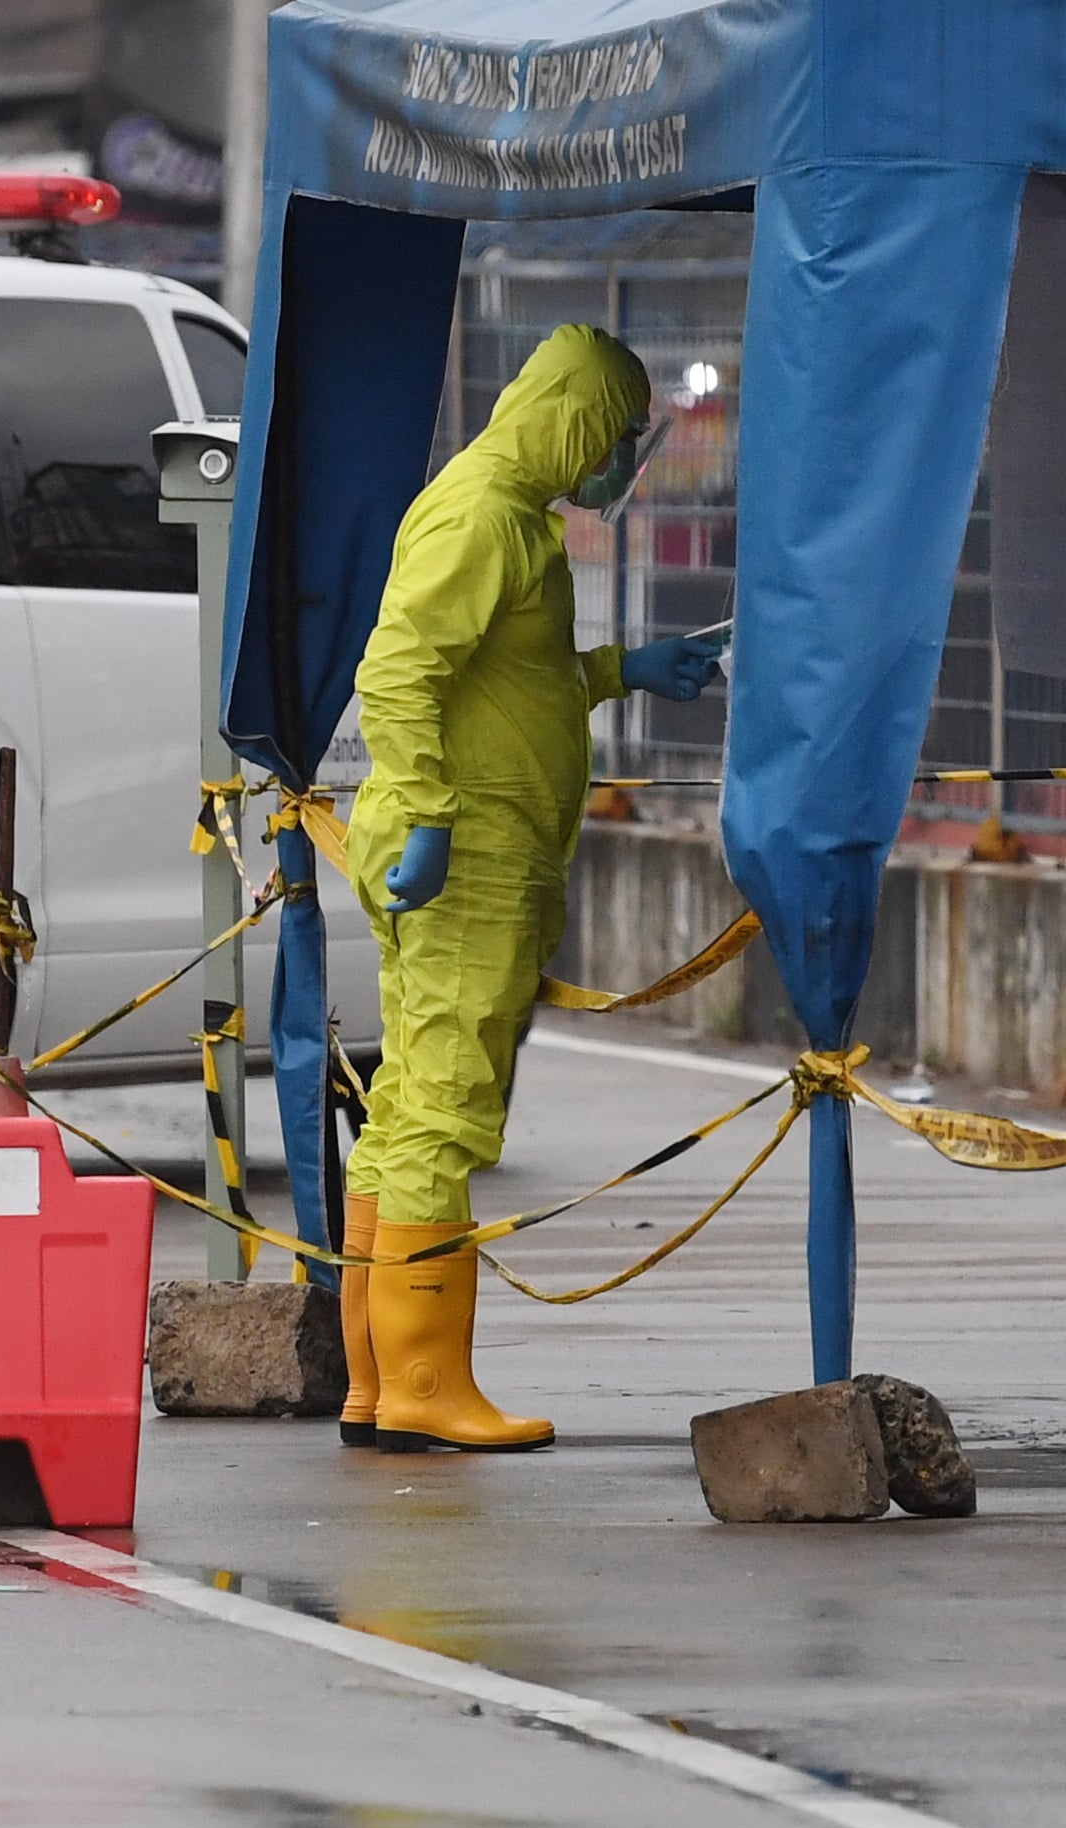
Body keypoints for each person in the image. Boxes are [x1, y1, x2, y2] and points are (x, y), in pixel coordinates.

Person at [336, 325, 725, 1454]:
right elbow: (397, 671)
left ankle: (376, 1384)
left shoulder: (506, 515)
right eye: (613, 437)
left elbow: (510, 675)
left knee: (407, 1107)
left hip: (470, 846)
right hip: (466, 855)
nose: (621, 463)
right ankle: (421, 1386)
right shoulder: (480, 518)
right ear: (566, 421)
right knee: (444, 1113)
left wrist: (623, 670)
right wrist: (428, 815)